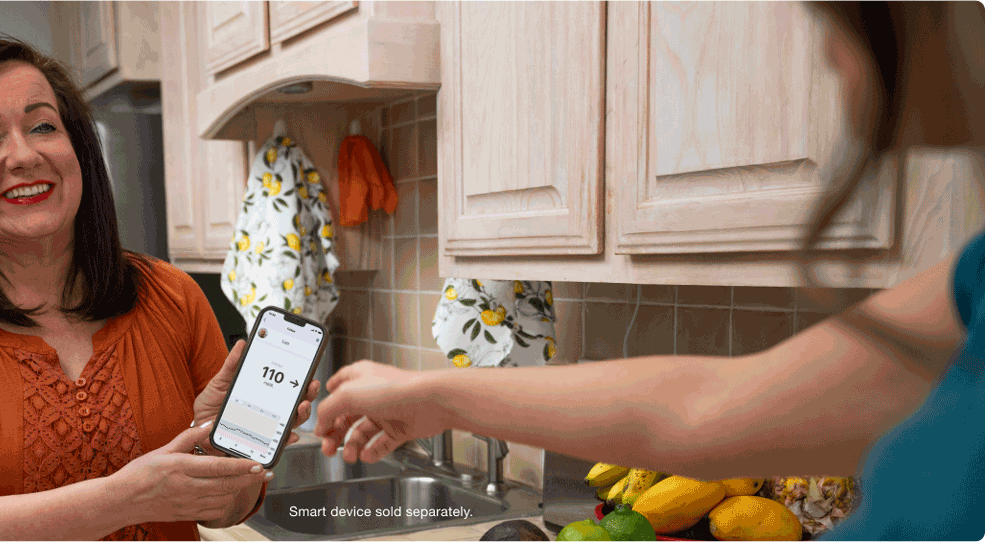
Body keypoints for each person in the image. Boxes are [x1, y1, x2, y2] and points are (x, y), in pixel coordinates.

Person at [316, 3, 985, 540]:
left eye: (836, 19)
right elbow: (699, 410)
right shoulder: (974, 282)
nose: (828, 55)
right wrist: (434, 397)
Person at [0, 35, 318, 541]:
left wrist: (218, 448)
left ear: (77, 149)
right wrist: (127, 497)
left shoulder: (173, 297)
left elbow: (230, 510)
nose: (24, 155)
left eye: (43, 126)